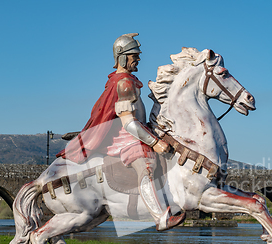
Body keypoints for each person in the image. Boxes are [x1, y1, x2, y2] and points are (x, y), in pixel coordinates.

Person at [56, 33, 185, 231]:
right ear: (122, 56)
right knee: (145, 166)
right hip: (126, 137)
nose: (138, 59)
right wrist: (154, 143)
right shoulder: (124, 83)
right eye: (135, 55)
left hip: (138, 130)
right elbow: (129, 123)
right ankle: (160, 217)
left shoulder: (126, 80)